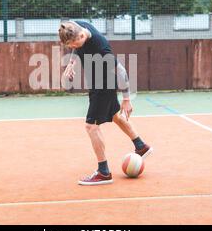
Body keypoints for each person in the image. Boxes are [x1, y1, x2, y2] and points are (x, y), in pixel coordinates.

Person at [58, 20, 153, 186]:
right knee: (115, 116)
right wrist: (72, 62)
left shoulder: (100, 47)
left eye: (75, 43)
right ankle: (141, 146)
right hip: (97, 83)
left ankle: (103, 172)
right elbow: (75, 47)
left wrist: (126, 99)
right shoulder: (75, 26)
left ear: (82, 35)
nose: (74, 47)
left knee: (91, 126)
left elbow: (121, 70)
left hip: (103, 86)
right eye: (70, 45)